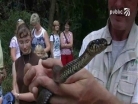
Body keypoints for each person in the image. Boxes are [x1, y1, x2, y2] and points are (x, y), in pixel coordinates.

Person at [23, 0, 138, 104]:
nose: (119, 4)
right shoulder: (89, 39)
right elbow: (76, 91)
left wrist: (101, 98)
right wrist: (53, 75)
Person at [12, 23, 40, 104]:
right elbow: (15, 85)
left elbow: (36, 95)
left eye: (27, 41)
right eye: (21, 42)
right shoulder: (16, 63)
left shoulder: (38, 61)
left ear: (31, 38)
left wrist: (17, 95)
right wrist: (16, 97)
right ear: (17, 41)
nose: (24, 46)